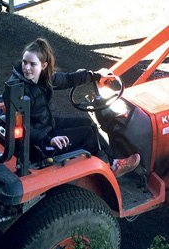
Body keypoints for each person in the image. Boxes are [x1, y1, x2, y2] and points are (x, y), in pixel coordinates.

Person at [8, 37, 140, 177]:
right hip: (38, 141)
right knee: (88, 136)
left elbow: (68, 79)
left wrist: (94, 75)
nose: (27, 68)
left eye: (32, 64)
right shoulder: (16, 89)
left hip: (48, 124)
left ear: (43, 66)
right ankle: (111, 167)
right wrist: (49, 140)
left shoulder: (43, 78)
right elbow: (22, 126)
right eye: (25, 62)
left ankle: (103, 161)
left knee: (89, 124)